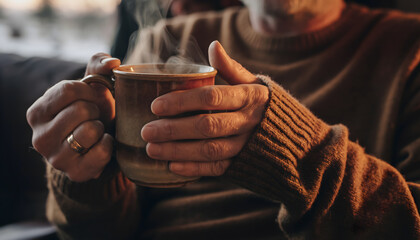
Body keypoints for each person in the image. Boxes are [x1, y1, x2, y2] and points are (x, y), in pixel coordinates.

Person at [26, 0, 420, 239]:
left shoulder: (409, 49)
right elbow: (95, 235)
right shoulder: (164, 38)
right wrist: (88, 173)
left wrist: (296, 152)